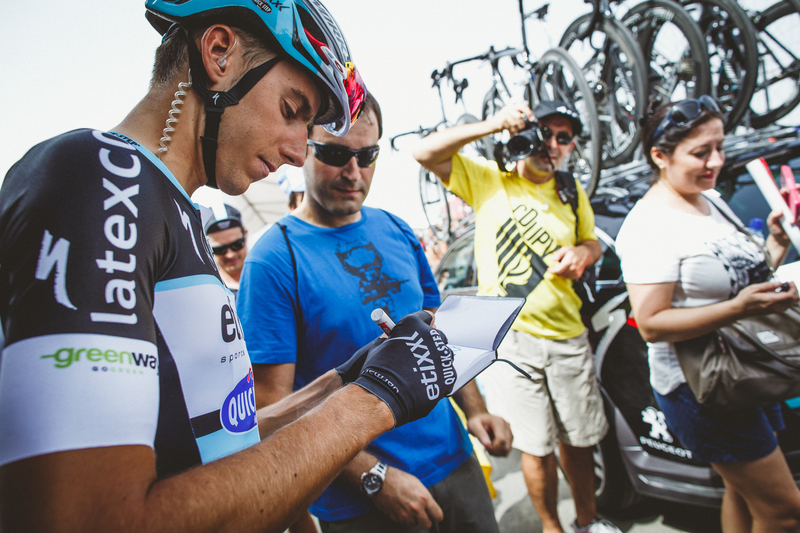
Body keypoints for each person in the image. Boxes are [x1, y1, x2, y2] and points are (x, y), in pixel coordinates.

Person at [0, 3, 458, 532]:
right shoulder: (106, 178)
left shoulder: (174, 208)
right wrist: (370, 402)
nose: (294, 152)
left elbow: (216, 439)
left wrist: (340, 382)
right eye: (292, 109)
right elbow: (88, 519)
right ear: (220, 53)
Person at [238, 92, 513, 533]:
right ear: (302, 148)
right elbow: (275, 406)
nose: (353, 172)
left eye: (367, 155)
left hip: (454, 461)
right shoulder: (273, 259)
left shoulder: (397, 228)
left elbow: (442, 334)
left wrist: (476, 411)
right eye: (334, 154)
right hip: (362, 503)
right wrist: (373, 475)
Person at [414, 100, 620, 533]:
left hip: (567, 336)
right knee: (536, 446)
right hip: (514, 342)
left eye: (565, 137)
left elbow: (592, 242)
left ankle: (589, 522)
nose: (554, 145)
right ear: (526, 134)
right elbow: (426, 153)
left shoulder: (570, 190)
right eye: (547, 132)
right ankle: (551, 527)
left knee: (579, 443)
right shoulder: (490, 181)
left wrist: (584, 252)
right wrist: (494, 123)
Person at [615, 96, 800, 532]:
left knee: (742, 490)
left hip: (742, 368)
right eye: (700, 153)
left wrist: (774, 242)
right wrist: (738, 308)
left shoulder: (708, 199)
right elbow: (653, 324)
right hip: (701, 387)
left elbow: (741, 275)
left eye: (719, 146)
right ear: (659, 156)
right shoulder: (649, 227)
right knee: (785, 511)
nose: (715, 161)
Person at [204, 202, 248, 295]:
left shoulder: (271, 276)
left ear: (246, 235)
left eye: (236, 244)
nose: (230, 254)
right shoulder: (209, 293)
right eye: (220, 249)